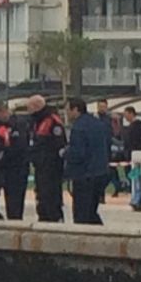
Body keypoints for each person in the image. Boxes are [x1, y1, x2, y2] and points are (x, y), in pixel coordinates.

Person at [63, 97, 112, 225]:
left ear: (76, 110)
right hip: (101, 172)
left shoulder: (78, 127)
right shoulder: (99, 124)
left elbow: (78, 153)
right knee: (91, 211)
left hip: (84, 174)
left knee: (81, 214)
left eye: (68, 110)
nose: (66, 114)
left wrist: (64, 153)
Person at [27, 94, 66, 223]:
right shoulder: (37, 121)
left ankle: (55, 218)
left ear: (37, 107)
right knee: (41, 196)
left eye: (29, 108)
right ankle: (43, 217)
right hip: (40, 166)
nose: (28, 111)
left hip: (51, 167)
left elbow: (59, 144)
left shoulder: (52, 121)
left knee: (51, 196)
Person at [0, 101, 30, 221]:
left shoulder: (18, 124)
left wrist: (4, 153)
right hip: (6, 169)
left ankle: (16, 220)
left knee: (16, 199)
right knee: (9, 198)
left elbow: (20, 146)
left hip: (18, 168)